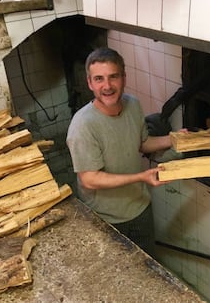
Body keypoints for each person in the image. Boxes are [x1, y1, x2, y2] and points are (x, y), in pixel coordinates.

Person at [66, 47, 178, 257]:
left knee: (149, 267)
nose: (107, 86)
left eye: (113, 77)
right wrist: (142, 177)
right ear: (90, 83)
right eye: (99, 79)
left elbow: (142, 143)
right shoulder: (83, 125)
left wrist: (174, 139)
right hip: (106, 218)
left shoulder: (133, 105)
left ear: (124, 78)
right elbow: (90, 179)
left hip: (139, 208)